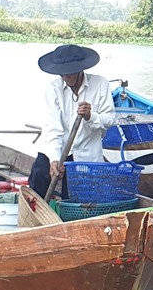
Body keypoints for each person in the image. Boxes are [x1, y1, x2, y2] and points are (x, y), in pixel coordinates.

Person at [30, 44, 118, 195]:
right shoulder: (54, 89)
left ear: (79, 69)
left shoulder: (100, 84)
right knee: (39, 174)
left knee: (72, 194)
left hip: (85, 153)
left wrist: (91, 117)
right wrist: (55, 160)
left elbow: (110, 119)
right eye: (62, 74)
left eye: (69, 73)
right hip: (57, 147)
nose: (66, 77)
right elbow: (52, 128)